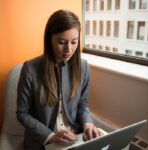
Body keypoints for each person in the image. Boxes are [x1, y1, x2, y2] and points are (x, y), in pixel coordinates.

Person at [16, 9, 104, 150]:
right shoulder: (30, 69)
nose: (68, 49)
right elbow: (22, 113)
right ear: (49, 39)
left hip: (75, 138)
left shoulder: (84, 67)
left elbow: (82, 104)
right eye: (62, 42)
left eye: (74, 42)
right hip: (43, 141)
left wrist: (88, 124)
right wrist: (51, 136)